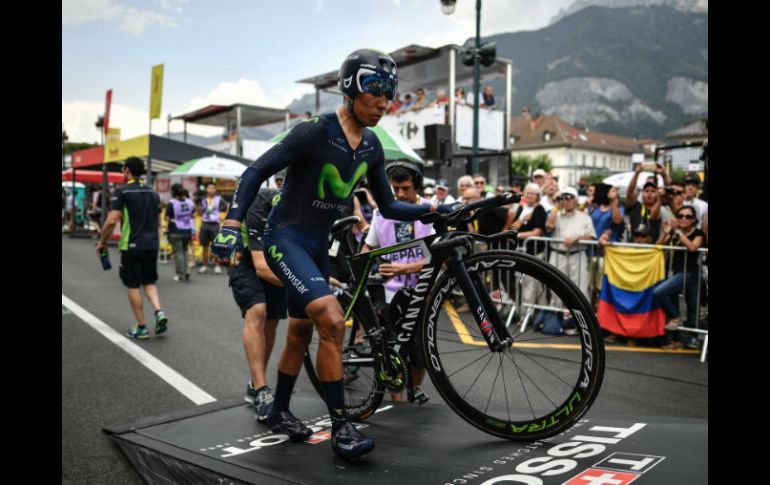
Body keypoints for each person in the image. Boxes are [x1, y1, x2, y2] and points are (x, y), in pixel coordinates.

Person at [209, 49, 455, 461]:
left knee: (301, 332)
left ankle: (281, 411)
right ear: (349, 88)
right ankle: (342, 426)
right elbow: (256, 171)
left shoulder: (372, 146)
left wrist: (436, 209)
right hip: (284, 241)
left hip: (317, 247)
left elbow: (390, 207)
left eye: (389, 93)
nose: (383, 101)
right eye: (374, 89)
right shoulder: (314, 132)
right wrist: (233, 223)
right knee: (333, 320)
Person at [360, 161, 434, 403]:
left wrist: (405, 267)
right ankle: (397, 402)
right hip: (388, 295)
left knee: (420, 353)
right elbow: (369, 246)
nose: (400, 194)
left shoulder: (429, 212)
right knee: (391, 352)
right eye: (396, 188)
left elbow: (439, 258)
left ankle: (415, 389)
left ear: (416, 187)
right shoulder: (382, 212)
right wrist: (367, 267)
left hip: (421, 294)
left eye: (406, 188)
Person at [229, 186, 289, 422]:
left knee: (272, 320)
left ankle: (255, 383)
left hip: (275, 260)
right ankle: (262, 390)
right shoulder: (258, 202)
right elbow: (261, 267)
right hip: (246, 261)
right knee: (258, 311)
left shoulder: (303, 205)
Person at [95, 157, 168, 339]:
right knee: (149, 282)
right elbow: (157, 220)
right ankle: (159, 311)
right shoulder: (153, 193)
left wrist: (102, 242)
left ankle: (142, 327)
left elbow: (112, 221)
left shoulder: (122, 192)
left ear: (127, 170)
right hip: (152, 244)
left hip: (132, 245)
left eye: (123, 169)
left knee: (133, 285)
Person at [545, 187, 596, 334]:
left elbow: (591, 236)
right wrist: (556, 207)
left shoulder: (584, 216)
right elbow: (549, 226)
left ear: (575, 200)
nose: (566, 201)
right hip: (558, 254)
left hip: (577, 254)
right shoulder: (556, 214)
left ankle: (580, 324)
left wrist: (576, 238)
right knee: (556, 287)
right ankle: (555, 321)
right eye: (563, 198)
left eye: (569, 198)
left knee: (579, 289)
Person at [654, 205, 705, 350]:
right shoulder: (675, 233)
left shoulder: (698, 232)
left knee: (692, 306)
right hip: (676, 272)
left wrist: (677, 231)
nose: (684, 219)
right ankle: (677, 340)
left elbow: (693, 247)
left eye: (688, 216)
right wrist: (665, 233)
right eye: (681, 216)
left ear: (694, 219)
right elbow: (658, 246)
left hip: (691, 273)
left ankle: (693, 338)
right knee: (672, 300)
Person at [197, 182, 229, 274]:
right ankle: (204, 265)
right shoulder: (203, 200)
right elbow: (199, 213)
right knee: (204, 246)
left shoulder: (219, 200)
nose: (211, 190)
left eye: (213, 188)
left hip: (215, 224)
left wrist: (221, 217)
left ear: (215, 190)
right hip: (204, 224)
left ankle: (217, 265)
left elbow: (226, 208)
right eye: (209, 188)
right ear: (206, 190)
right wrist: (199, 204)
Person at [166, 184, 195, 282]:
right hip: (187, 230)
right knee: (185, 251)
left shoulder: (172, 203)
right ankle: (187, 271)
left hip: (175, 230)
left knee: (178, 253)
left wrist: (167, 230)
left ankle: (180, 274)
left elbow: (167, 218)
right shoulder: (190, 202)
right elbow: (193, 215)